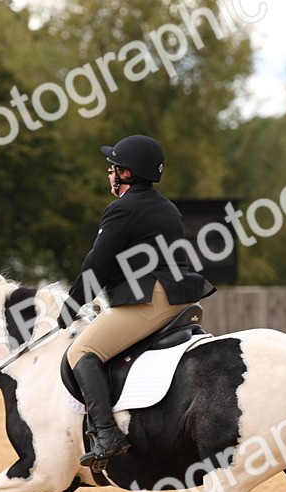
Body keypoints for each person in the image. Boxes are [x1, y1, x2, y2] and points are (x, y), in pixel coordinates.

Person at [64, 135, 214, 467]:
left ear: (127, 175)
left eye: (113, 168)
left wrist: (69, 308)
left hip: (149, 299)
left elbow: (96, 264)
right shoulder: (167, 206)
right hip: (178, 297)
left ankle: (106, 433)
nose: (109, 174)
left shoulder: (122, 208)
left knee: (81, 351)